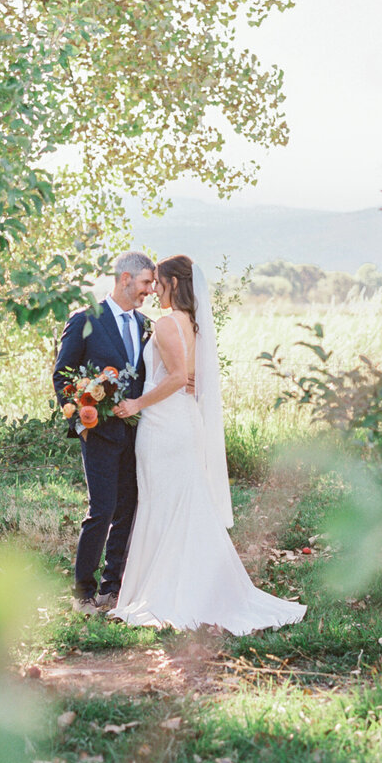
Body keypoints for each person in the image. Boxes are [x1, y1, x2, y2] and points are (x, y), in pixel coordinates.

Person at [111, 255, 307, 634]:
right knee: (181, 504)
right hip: (182, 421)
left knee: (163, 504)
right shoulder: (194, 325)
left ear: (172, 284)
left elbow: (174, 379)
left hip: (164, 426)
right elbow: (191, 377)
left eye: (159, 283)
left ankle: (168, 592)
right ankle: (198, 588)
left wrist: (136, 402)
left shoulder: (167, 324)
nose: (154, 290)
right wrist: (177, 381)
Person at [53, 251, 156, 614]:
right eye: (145, 283)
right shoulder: (86, 319)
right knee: (102, 508)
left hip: (139, 434)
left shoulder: (147, 325)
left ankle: (113, 588)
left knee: (129, 508)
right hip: (99, 433)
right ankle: (83, 592)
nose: (150, 290)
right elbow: (62, 375)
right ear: (125, 279)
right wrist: (81, 420)